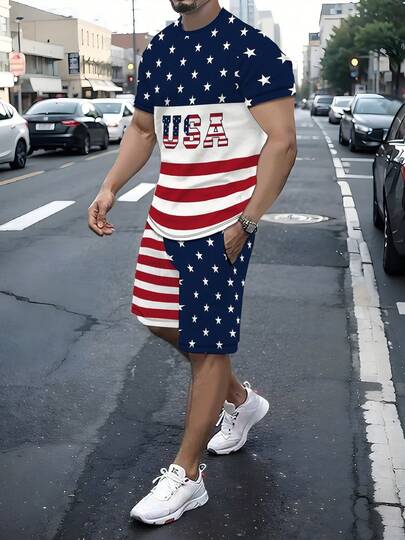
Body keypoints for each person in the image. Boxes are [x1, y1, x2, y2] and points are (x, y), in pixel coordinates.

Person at [88, 0, 296, 526]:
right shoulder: (160, 48)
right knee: (156, 318)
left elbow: (282, 142)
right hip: (166, 217)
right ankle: (240, 400)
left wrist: (247, 220)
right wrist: (111, 186)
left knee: (208, 346)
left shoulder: (253, 50)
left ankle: (187, 475)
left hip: (222, 225)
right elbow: (142, 130)